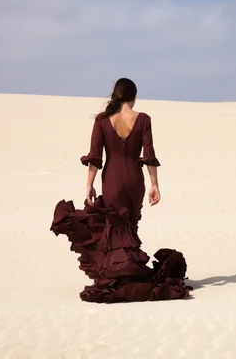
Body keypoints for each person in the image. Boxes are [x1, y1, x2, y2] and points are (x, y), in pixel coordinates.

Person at [50, 78, 191, 303]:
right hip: (135, 181)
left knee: (116, 230)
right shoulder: (143, 119)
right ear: (134, 97)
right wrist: (155, 184)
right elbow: (149, 155)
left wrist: (89, 185)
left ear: (115, 95)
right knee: (130, 227)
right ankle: (127, 275)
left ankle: (120, 276)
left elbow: (95, 158)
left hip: (112, 180)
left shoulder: (102, 121)